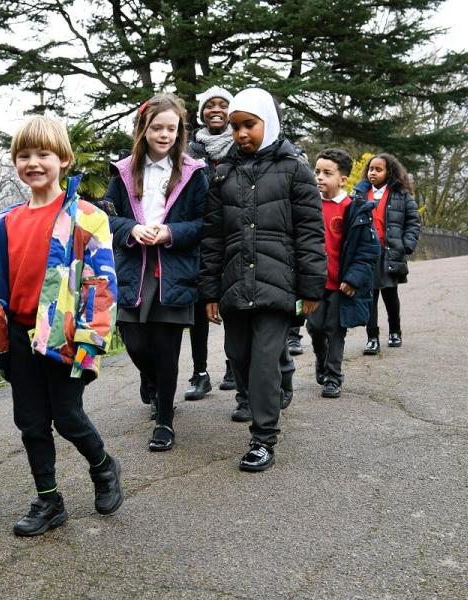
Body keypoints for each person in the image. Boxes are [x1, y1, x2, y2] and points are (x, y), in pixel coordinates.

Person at [0, 116, 123, 537]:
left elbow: (101, 284)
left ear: (64, 159)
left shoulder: (88, 218)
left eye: (43, 154)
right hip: (18, 336)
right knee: (31, 422)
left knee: (68, 417)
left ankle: (104, 466)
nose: (33, 162)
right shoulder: (0, 225)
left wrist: (92, 340)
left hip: (65, 336)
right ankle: (48, 500)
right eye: (24, 155)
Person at [200, 88, 326, 472]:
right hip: (236, 283)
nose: (241, 134)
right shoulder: (222, 173)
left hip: (278, 282)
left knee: (263, 361)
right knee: (238, 355)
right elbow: (212, 237)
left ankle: (263, 438)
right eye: (235, 126)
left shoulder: (295, 169)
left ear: (267, 123)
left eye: (248, 125)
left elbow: (310, 232)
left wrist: (311, 287)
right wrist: (209, 290)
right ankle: (281, 377)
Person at [103, 93, 208, 452]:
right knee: (134, 342)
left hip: (173, 270)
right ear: (143, 129)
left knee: (166, 348)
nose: (164, 134)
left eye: (171, 129)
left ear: (179, 132)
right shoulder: (122, 171)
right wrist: (131, 229)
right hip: (133, 267)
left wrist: (171, 233)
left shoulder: (194, 173)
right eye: (157, 127)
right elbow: (109, 216)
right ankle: (150, 380)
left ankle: (164, 420)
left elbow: (203, 222)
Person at [307, 148, 380, 397]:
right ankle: (321, 358)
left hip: (340, 284)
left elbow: (368, 251)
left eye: (327, 173)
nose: (319, 177)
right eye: (317, 171)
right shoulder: (308, 206)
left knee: (335, 329)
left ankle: (333, 376)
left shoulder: (355, 209)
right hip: (313, 283)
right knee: (315, 327)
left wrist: (353, 279)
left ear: (343, 180)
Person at [184, 85, 235, 399]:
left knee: (232, 304)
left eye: (222, 105)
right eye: (209, 105)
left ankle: (233, 365)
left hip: (232, 235)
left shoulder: (240, 145)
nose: (216, 110)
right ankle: (200, 373)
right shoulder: (191, 149)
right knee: (199, 307)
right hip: (200, 238)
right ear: (201, 112)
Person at [354, 153, 421, 354]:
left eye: (378, 169)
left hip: (389, 251)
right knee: (369, 296)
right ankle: (372, 337)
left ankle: (395, 331)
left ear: (389, 172)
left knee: (390, 295)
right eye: (370, 169)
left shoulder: (401, 195)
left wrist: (405, 245)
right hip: (366, 253)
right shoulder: (358, 194)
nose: (372, 172)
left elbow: (413, 222)